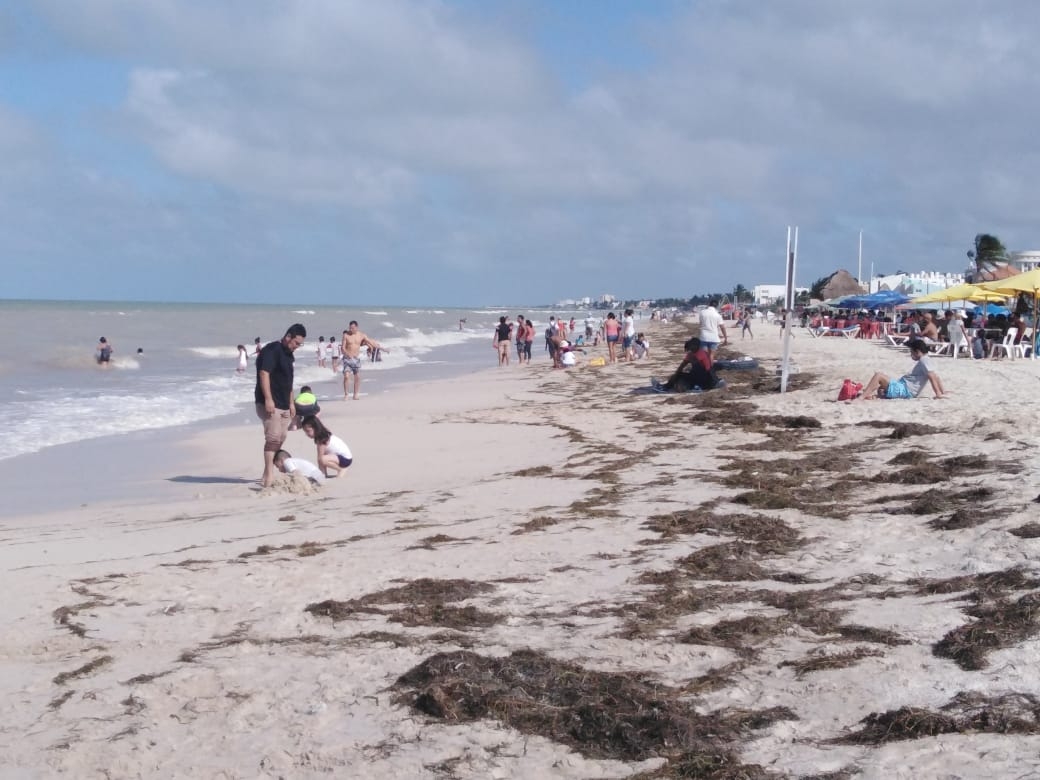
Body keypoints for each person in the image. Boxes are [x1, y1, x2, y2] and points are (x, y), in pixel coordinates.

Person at [255, 323, 307, 487]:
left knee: (281, 438)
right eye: (296, 343)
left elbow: (288, 381)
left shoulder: (289, 354)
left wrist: (292, 403)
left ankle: (266, 472)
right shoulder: (272, 350)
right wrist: (268, 399)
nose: (297, 347)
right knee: (273, 438)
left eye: (300, 344)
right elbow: (264, 373)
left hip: (285, 403)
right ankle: (269, 475)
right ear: (288, 336)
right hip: (270, 402)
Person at [852, 338, 946, 401]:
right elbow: (936, 377)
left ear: (917, 352)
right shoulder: (927, 360)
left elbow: (932, 376)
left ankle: (861, 397)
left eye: (911, 352)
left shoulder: (924, 360)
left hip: (905, 390)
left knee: (878, 376)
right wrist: (943, 391)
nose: (911, 355)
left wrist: (938, 393)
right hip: (903, 388)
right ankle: (870, 395)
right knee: (880, 387)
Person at [653, 337, 719, 392]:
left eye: (691, 346)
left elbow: (692, 363)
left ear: (696, 346)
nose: (690, 349)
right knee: (680, 374)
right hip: (700, 376)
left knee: (693, 369)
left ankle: (666, 387)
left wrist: (678, 373)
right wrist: (677, 374)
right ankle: (667, 386)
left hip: (706, 377)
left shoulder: (700, 353)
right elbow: (682, 365)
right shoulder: (694, 353)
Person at [340, 320, 381, 400]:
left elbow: (370, 341)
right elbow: (343, 347)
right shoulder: (346, 335)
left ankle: (355, 395)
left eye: (352, 328)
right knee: (346, 377)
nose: (351, 329)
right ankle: (346, 394)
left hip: (356, 359)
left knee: (357, 377)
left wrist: (378, 347)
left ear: (356, 327)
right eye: (350, 328)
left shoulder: (362, 335)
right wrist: (346, 353)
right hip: (347, 359)